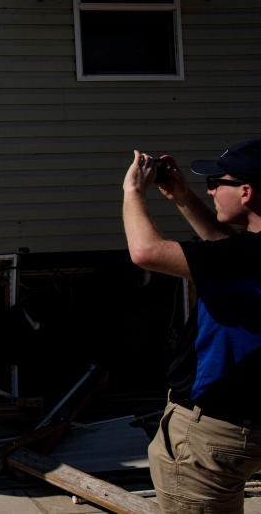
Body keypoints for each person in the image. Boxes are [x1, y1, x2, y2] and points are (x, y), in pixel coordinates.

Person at [122, 139, 261, 513]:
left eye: (216, 182)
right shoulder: (243, 258)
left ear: (246, 192)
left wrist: (133, 192)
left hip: (211, 432)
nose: (210, 189)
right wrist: (181, 196)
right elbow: (224, 252)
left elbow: (145, 252)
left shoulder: (240, 258)